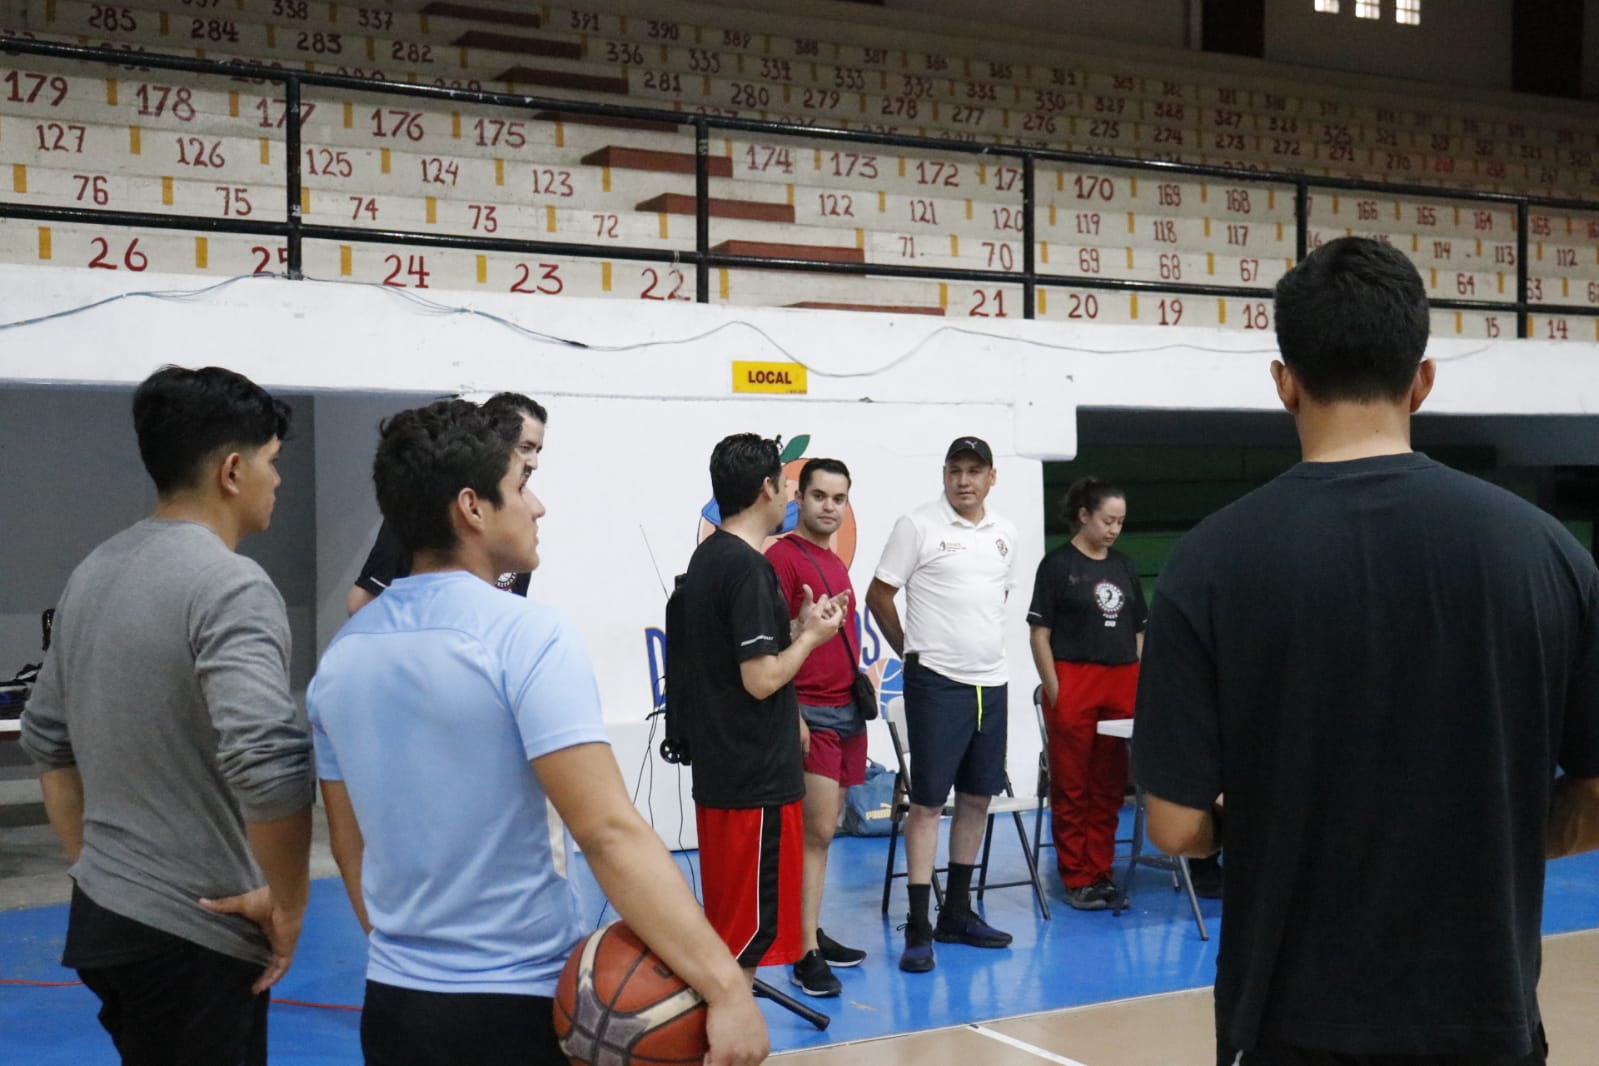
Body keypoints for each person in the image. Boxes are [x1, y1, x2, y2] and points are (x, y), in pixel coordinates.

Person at [1132, 236, 1599, 1066]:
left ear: (1284, 382)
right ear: (1420, 379)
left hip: (1288, 1028)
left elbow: (1173, 826)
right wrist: (1482, 834)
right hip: (1484, 1025)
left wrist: (1273, 831)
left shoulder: (1206, 563)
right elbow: (1593, 798)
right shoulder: (1547, 553)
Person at [307, 401, 769, 1066]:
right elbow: (607, 832)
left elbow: (352, 853)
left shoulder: (341, 657)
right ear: (472, 508)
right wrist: (725, 987)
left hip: (393, 1008)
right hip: (514, 1009)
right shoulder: (526, 634)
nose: (538, 506)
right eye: (520, 487)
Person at [21, 365, 314, 1066]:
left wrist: (94, 865)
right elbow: (267, 763)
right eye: (274, 464)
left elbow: (45, 738)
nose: (280, 481)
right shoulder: (230, 583)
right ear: (234, 471)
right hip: (195, 933)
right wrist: (288, 905)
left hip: (106, 918)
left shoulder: (95, 568)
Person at [677, 434, 848, 987]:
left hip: (724, 772)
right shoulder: (749, 568)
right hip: (753, 778)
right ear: (765, 489)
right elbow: (759, 679)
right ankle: (731, 1037)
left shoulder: (708, 558)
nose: (793, 498)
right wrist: (813, 639)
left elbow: (739, 657)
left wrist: (794, 629)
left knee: (730, 927)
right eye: (788, 486)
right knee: (744, 940)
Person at [866, 436, 1019, 973]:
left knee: (977, 797)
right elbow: (878, 593)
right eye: (955, 470)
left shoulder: (1006, 534)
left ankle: (957, 912)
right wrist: (912, 650)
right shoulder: (918, 525)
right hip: (935, 683)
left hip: (991, 684)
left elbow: (995, 600)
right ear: (945, 474)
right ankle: (919, 925)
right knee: (927, 804)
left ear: (991, 477)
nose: (964, 481)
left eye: (974, 471)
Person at [764, 458, 871, 998]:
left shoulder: (834, 562)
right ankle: (802, 952)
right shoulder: (781, 558)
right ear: (797, 499)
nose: (829, 506)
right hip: (811, 713)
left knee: (824, 837)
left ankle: (808, 930)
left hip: (848, 712)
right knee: (815, 833)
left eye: (838, 498)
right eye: (820, 496)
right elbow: (773, 642)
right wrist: (796, 715)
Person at [1026, 476, 1150, 910]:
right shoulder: (1058, 565)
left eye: (1120, 521)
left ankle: (1101, 871)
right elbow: (1038, 634)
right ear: (1084, 515)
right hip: (1074, 680)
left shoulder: (1123, 566)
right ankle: (1076, 876)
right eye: (1108, 520)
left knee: (1110, 785)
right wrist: (1056, 690)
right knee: (1073, 785)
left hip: (1121, 680)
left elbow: (1138, 630)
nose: (1115, 529)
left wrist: (1136, 676)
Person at [345, 391, 546, 614]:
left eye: (538, 450)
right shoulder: (431, 506)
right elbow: (361, 601)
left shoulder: (521, 516)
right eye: (525, 448)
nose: (534, 462)